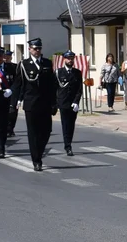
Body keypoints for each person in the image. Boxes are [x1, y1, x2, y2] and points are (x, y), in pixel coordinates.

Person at [15, 38, 57, 171]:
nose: (37, 51)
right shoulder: (23, 64)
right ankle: (36, 160)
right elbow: (18, 84)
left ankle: (39, 150)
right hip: (31, 104)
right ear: (29, 49)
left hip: (45, 103)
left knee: (46, 131)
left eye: (39, 48)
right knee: (33, 133)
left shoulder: (47, 63)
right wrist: (15, 101)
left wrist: (54, 103)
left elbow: (52, 85)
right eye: (35, 49)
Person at [56, 50, 84, 156]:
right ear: (64, 59)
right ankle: (67, 146)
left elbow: (79, 89)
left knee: (71, 125)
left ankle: (69, 143)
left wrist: (76, 101)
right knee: (65, 124)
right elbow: (55, 88)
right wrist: (55, 103)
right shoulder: (59, 72)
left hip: (73, 104)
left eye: (72, 58)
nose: (70, 60)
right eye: (68, 58)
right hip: (63, 103)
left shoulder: (77, 73)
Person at [5, 49, 19, 138]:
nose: (7, 58)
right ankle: (5, 128)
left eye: (8, 56)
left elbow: (18, 80)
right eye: (5, 56)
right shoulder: (1, 67)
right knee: (5, 112)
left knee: (13, 112)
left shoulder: (15, 67)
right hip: (4, 92)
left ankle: (11, 129)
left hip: (13, 92)